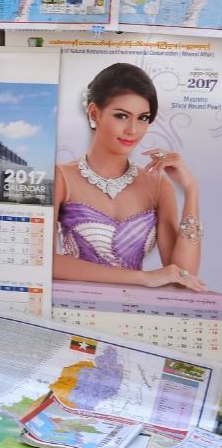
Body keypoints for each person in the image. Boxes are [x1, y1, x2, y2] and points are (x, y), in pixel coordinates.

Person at [54, 62, 205, 290]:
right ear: (95, 113)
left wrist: (191, 189)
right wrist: (143, 278)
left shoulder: (156, 185)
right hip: (76, 308)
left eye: (143, 118)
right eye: (122, 116)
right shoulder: (62, 177)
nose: (133, 130)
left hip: (134, 313)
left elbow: (184, 275)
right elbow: (44, 261)